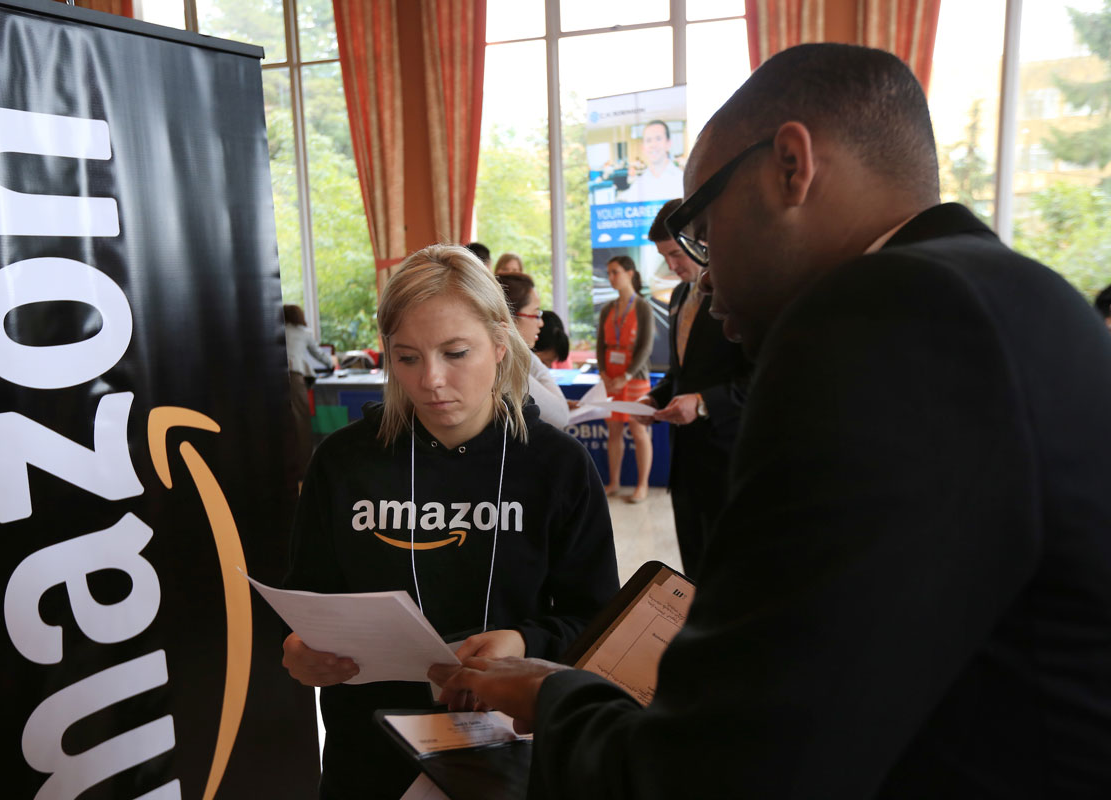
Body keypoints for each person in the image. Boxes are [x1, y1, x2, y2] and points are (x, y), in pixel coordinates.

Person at [430, 43, 1111, 798]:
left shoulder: (882, 318)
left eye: (703, 226)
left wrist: (555, 699)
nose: (708, 275)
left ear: (792, 164)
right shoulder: (1027, 294)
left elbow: (726, 767)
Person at [281, 244, 619, 800]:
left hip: (511, 751)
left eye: (456, 352)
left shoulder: (556, 466)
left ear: (500, 346)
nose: (431, 381)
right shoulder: (344, 463)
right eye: (407, 357)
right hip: (369, 751)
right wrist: (299, 648)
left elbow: (596, 622)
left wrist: (522, 640)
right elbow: (306, 596)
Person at [632, 199, 748, 572]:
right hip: (685, 459)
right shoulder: (680, 295)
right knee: (693, 562)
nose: (672, 265)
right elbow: (682, 372)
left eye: (674, 254)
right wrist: (655, 397)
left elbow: (760, 377)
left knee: (727, 566)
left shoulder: (739, 292)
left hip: (727, 454)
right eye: (664, 257)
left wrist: (702, 403)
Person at [596, 255, 654, 502]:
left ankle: (642, 485)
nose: (611, 278)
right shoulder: (608, 308)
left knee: (639, 431)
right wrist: (603, 372)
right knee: (614, 431)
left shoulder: (643, 306)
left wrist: (627, 375)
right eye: (609, 273)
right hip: (611, 378)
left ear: (630, 273)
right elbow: (600, 344)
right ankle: (614, 482)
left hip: (634, 378)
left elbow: (645, 346)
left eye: (615, 272)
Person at [497, 272, 569, 429]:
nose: (541, 323)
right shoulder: (506, 368)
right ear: (512, 319)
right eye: (536, 314)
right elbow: (561, 416)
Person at [283, 304, 335, 476]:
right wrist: (331, 365)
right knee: (301, 424)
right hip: (293, 378)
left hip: (270, 379)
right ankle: (304, 471)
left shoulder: (276, 330)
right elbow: (319, 355)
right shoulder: (303, 333)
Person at [617, 119, 685, 202]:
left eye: (658, 138)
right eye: (648, 140)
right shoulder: (638, 186)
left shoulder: (683, 181)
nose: (653, 145)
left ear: (668, 143)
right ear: (643, 147)